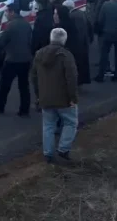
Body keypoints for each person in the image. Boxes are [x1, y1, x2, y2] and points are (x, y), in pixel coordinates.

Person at [30, 28, 79, 163]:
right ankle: (63, 148)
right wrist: (73, 97)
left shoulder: (39, 54)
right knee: (70, 122)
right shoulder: (66, 55)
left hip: (45, 97)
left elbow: (34, 76)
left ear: (51, 38)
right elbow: (71, 78)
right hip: (64, 98)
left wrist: (38, 95)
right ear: (64, 39)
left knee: (48, 125)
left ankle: (48, 153)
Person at [0, 4, 33, 116]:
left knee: (5, 85)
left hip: (12, 59)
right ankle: (24, 110)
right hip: (25, 59)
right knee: (24, 86)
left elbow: (1, 42)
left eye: (7, 12)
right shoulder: (26, 24)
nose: (6, 14)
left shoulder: (10, 25)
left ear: (12, 12)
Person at [64, 0, 93, 86]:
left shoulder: (72, 16)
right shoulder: (81, 13)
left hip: (78, 44)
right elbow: (89, 26)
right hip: (84, 42)